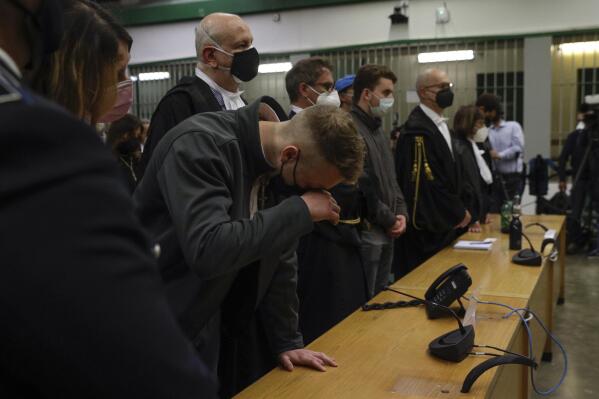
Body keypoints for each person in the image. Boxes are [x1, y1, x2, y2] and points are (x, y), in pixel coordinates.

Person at [0, 0, 217, 397]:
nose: (125, 85)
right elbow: (153, 371)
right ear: (79, 71)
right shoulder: (48, 147)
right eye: (118, 73)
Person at [134, 98, 365, 395]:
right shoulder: (199, 145)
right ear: (290, 155)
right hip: (156, 324)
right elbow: (208, 248)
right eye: (309, 184)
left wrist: (287, 341)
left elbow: (280, 257)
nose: (311, 195)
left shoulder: (271, 165)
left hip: (206, 323)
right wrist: (298, 212)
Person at [284, 67, 367, 344]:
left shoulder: (332, 125)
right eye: (327, 86)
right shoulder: (291, 132)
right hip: (314, 242)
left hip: (346, 234)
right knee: (322, 323)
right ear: (305, 89)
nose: (332, 93)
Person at [140, 12, 259, 176]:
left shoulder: (242, 104)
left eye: (251, 43)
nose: (251, 52)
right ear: (210, 56)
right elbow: (158, 175)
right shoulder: (179, 104)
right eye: (242, 45)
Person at [395, 68, 471, 275]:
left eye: (449, 86)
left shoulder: (441, 126)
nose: (447, 91)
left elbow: (454, 174)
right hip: (428, 227)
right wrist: (457, 211)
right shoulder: (417, 131)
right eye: (441, 87)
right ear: (423, 92)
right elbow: (428, 183)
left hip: (446, 224)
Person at [351, 64, 408, 296]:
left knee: (381, 298)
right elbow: (362, 184)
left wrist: (402, 212)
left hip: (387, 230)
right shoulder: (350, 128)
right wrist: (389, 219)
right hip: (369, 232)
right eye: (385, 93)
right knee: (364, 301)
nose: (390, 99)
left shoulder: (378, 131)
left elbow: (391, 178)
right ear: (367, 94)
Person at [476, 93, 525, 211]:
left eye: (484, 111)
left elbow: (518, 148)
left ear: (493, 110)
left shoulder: (513, 126)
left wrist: (499, 155)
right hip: (496, 179)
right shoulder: (486, 131)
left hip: (513, 179)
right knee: (494, 211)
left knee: (513, 210)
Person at [453, 105, 493, 233]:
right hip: (468, 219)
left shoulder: (473, 145)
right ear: (469, 123)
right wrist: (473, 217)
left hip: (478, 216)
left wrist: (485, 210)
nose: (483, 128)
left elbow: (482, 183)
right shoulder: (461, 147)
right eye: (480, 124)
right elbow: (468, 185)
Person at [106, 114, 145, 193]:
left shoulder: (138, 160)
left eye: (137, 136)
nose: (135, 141)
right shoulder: (108, 162)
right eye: (132, 135)